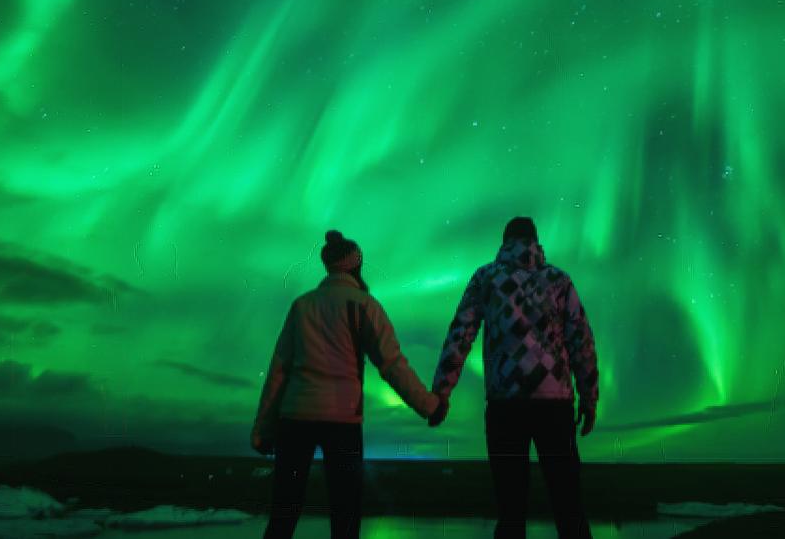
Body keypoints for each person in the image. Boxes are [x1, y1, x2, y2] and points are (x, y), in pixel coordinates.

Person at [252, 229, 448, 539]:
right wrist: (429, 406)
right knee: (345, 514)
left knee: (284, 513)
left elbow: (279, 369)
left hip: (295, 419)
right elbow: (392, 365)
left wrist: (263, 429)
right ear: (356, 265)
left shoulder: (302, 305)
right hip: (342, 421)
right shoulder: (364, 305)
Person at [433, 216, 599, 539]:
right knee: (568, 505)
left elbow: (461, 334)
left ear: (505, 241)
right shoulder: (559, 281)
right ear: (536, 241)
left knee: (510, 510)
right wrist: (589, 397)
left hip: (505, 405)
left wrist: (442, 389)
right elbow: (581, 340)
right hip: (555, 406)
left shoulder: (486, 278)